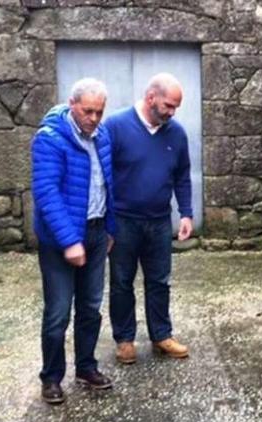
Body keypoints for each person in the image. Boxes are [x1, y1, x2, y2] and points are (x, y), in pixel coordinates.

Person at [31, 78, 117, 404]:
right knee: (58, 312)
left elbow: (107, 185)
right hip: (59, 240)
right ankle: (51, 378)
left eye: (99, 112)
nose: (94, 118)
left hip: (96, 234)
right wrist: (69, 240)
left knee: (91, 307)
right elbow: (46, 193)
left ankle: (86, 367)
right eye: (88, 111)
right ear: (72, 104)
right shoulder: (50, 139)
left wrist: (109, 229)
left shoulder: (102, 135)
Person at [105, 73, 193, 363]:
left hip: (158, 222)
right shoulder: (116, 126)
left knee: (159, 281)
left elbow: (182, 176)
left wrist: (186, 213)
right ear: (151, 97)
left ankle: (161, 336)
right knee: (121, 281)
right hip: (123, 221)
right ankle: (125, 340)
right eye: (168, 105)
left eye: (176, 107)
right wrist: (105, 221)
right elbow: (101, 176)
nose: (172, 112)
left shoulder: (176, 133)